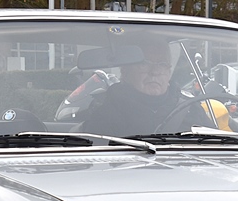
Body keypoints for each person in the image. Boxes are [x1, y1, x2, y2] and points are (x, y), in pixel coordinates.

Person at [81, 38, 209, 136]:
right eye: (144, 64)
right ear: (125, 71)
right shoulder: (106, 113)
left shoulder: (191, 109)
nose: (155, 72)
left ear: (169, 72)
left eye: (162, 64)